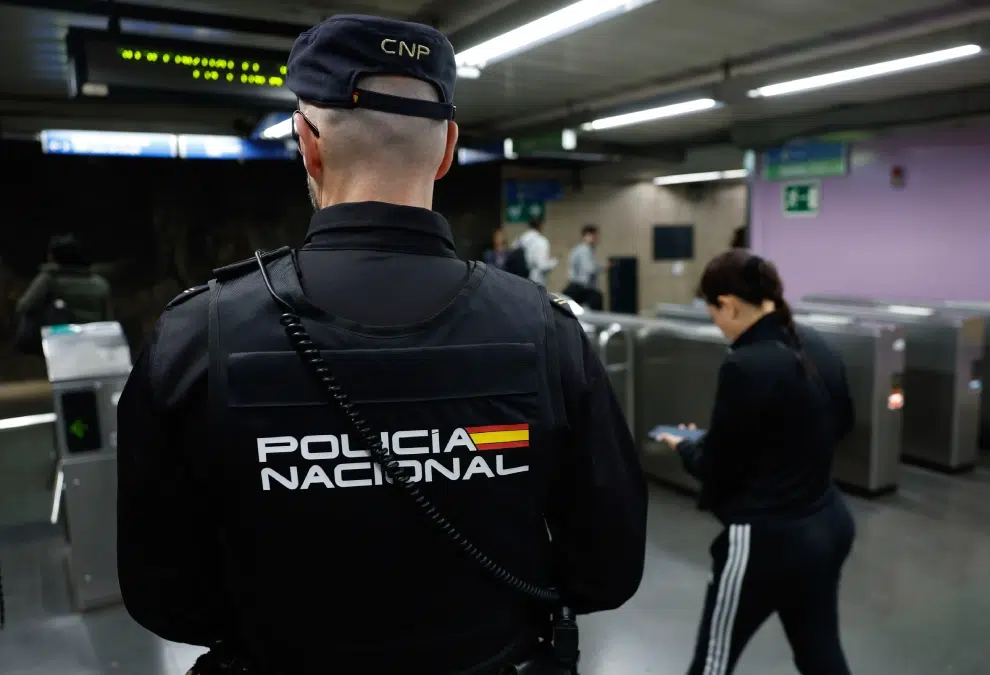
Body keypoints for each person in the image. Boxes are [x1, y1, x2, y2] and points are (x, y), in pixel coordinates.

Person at [116, 15, 647, 675]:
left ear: (307, 144)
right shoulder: (549, 332)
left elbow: (161, 595)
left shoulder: (197, 338)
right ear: (448, 147)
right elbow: (608, 569)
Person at [657, 249, 857, 675]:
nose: (716, 323)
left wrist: (685, 446)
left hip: (766, 541)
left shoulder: (745, 365)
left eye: (713, 312)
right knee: (819, 650)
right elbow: (839, 422)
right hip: (828, 524)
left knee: (713, 662)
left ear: (727, 303)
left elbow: (717, 466)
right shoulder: (816, 343)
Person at [14, 234, 114, 353]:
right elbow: (108, 317)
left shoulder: (49, 279)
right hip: (93, 341)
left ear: (55, 256)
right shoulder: (100, 283)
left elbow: (24, 306)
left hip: (58, 340)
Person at [563, 224, 603, 311]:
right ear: (588, 235)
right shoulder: (584, 249)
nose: (597, 238)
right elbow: (589, 269)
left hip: (580, 287)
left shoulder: (581, 249)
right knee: (597, 299)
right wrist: (601, 268)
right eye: (595, 235)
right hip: (580, 287)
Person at [515, 216, 556, 285]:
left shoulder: (518, 241)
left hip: (518, 280)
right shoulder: (541, 241)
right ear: (540, 226)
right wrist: (554, 262)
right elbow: (542, 266)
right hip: (535, 282)